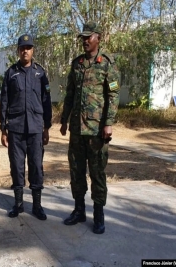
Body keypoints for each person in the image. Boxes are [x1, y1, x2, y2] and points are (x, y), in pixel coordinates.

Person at [60, 21, 120, 234]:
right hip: (77, 130)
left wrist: (109, 123)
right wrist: (64, 119)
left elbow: (113, 95)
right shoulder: (76, 64)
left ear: (98, 38)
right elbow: (70, 94)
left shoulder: (107, 64)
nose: (85, 41)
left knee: (97, 173)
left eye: (88, 37)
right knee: (76, 171)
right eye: (83, 38)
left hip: (97, 131)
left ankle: (98, 215)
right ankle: (78, 210)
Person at [0, 34, 52, 221]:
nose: (25, 51)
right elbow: (4, 101)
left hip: (36, 128)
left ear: (33, 50)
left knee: (36, 166)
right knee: (17, 166)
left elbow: (47, 102)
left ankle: (37, 206)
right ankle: (18, 204)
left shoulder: (40, 73)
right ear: (18, 50)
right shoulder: (11, 73)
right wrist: (3, 129)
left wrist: (47, 127)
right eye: (22, 48)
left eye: (28, 48)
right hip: (16, 128)